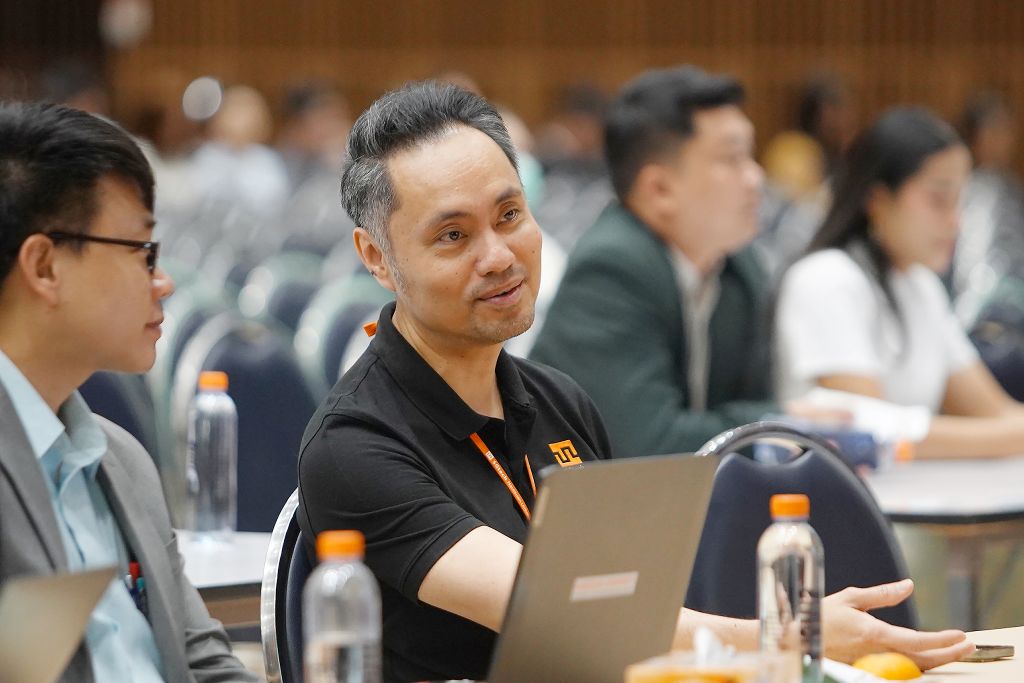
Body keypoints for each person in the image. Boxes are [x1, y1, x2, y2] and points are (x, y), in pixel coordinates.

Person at [297, 81, 972, 683]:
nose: (499, 256)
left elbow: (632, 608)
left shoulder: (560, 401)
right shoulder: (353, 445)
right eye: (452, 236)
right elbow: (554, 609)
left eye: (509, 216)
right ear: (377, 258)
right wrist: (783, 639)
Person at [0, 101, 261, 682]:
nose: (163, 281)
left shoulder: (119, 459)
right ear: (44, 267)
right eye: (143, 252)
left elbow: (201, 661)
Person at [530, 66, 777, 458]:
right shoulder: (610, 269)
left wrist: (769, 422)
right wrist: (777, 424)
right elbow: (647, 448)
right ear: (659, 189)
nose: (755, 178)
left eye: (750, 155)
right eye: (733, 159)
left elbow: (756, 403)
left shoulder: (737, 265)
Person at [775, 106, 1024, 458]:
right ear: (877, 200)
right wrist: (1008, 437)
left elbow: (994, 410)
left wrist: (1010, 433)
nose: (956, 222)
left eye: (959, 202)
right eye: (939, 200)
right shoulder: (825, 277)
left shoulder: (920, 284)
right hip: (826, 490)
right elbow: (870, 431)